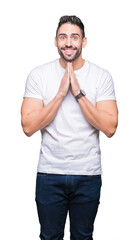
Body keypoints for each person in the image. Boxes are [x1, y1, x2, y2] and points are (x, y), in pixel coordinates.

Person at [21, 15, 118, 240]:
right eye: (63, 37)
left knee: (83, 237)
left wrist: (78, 94)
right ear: (55, 41)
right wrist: (60, 94)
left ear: (84, 41)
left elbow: (110, 127)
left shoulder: (101, 77)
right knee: (49, 237)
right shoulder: (39, 75)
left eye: (75, 37)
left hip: (88, 174)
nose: (68, 42)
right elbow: (28, 126)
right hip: (49, 173)